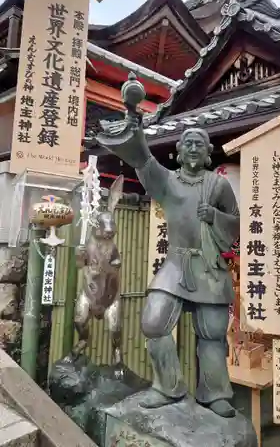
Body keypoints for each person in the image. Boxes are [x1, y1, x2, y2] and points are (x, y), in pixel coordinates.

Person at [96, 78, 240, 418]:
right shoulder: (169, 180)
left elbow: (235, 223)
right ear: (178, 151)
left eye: (199, 144)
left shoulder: (218, 184)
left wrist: (215, 215)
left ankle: (214, 393)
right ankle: (168, 386)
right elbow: (144, 163)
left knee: (213, 332)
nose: (192, 148)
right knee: (154, 322)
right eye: (187, 143)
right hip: (175, 266)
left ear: (207, 154)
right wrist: (134, 123)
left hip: (208, 267)